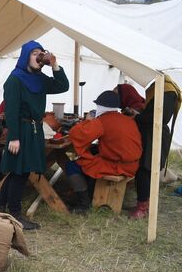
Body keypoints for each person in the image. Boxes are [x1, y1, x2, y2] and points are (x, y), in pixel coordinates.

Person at [0, 40, 69, 229]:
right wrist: (14, 137)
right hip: (21, 130)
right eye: (34, 53)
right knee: (19, 173)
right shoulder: (15, 80)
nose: (38, 56)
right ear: (26, 56)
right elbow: (11, 111)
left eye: (40, 52)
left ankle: (0, 206)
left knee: (21, 171)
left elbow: (63, 86)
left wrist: (54, 65)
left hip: (35, 130)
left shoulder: (41, 79)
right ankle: (15, 213)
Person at [65, 90, 142, 213]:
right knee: (93, 155)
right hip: (133, 164)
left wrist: (88, 120)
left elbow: (77, 134)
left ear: (100, 106)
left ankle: (83, 204)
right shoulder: (127, 119)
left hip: (117, 166)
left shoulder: (102, 121)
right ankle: (89, 194)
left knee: (72, 165)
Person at [125, 76, 181, 218]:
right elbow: (152, 114)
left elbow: (162, 117)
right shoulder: (159, 88)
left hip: (155, 135)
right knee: (144, 170)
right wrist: (139, 114)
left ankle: (143, 207)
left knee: (146, 170)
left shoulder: (167, 90)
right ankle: (144, 203)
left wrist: (137, 117)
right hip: (150, 134)